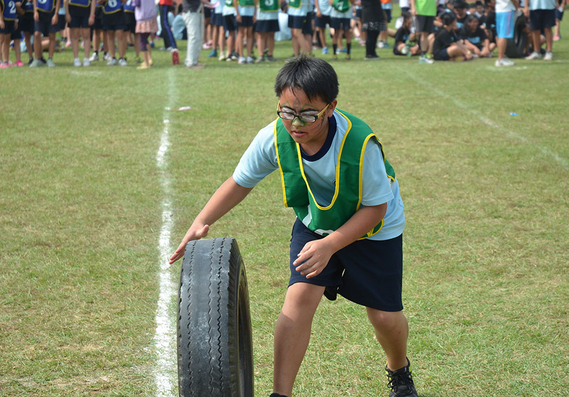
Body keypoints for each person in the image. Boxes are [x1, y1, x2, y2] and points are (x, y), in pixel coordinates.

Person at [169, 54, 418, 397]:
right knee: (298, 301)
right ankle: (280, 394)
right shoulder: (274, 137)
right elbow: (240, 181)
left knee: (384, 318)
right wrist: (201, 222)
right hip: (316, 223)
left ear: (331, 107)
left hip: (374, 228)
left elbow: (376, 208)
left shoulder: (360, 144)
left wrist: (331, 246)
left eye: (307, 114)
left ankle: (399, 372)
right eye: (287, 112)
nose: (296, 124)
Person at [65, 0, 95, 66]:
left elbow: (93, 1)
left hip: (86, 10)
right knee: (75, 36)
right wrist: (67, 13)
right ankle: (76, 59)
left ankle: (86, 58)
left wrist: (92, 15)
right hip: (73, 9)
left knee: (86, 35)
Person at [134, 0, 157, 68]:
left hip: (143, 16)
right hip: (151, 15)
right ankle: (149, 59)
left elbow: (137, 3)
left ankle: (146, 63)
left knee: (142, 40)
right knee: (145, 39)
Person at [494, 0, 518, 66]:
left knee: (500, 35)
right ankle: (501, 58)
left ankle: (501, 57)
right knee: (504, 35)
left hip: (499, 9)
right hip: (506, 10)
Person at [0, 0, 18, 67]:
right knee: (1, 39)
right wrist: (1, 20)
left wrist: (15, 19)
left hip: (10, 18)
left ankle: (6, 60)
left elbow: (14, 6)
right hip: (3, 19)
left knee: (7, 40)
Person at [17, 0, 34, 65]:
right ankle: (31, 57)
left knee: (37, 35)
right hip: (25, 16)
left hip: (34, 13)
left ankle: (39, 57)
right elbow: (17, 4)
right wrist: (22, 12)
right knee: (27, 36)